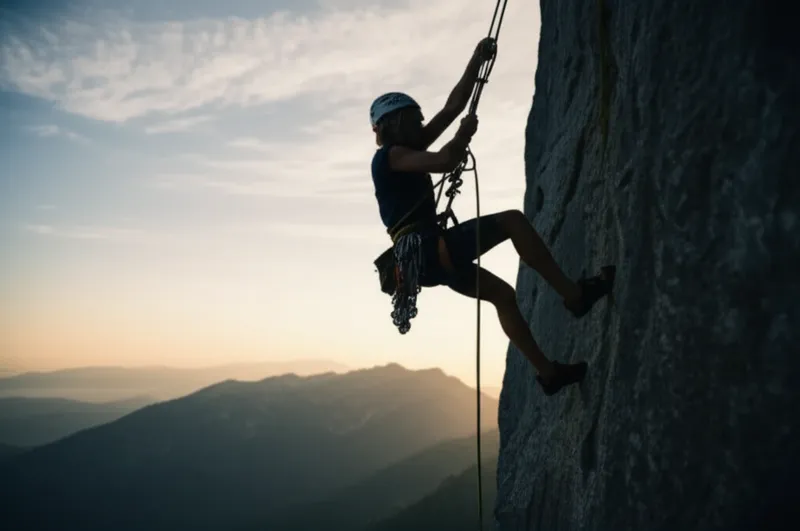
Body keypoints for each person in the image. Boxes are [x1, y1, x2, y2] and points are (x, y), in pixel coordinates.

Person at [369, 37, 616, 396]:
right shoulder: (390, 157)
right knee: (513, 221)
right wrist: (462, 137)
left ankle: (549, 374)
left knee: (503, 295)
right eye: (414, 118)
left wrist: (476, 61)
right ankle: (574, 296)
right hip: (430, 249)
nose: (421, 122)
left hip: (429, 259)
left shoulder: (406, 147)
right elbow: (444, 161)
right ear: (394, 123)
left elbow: (453, 106)